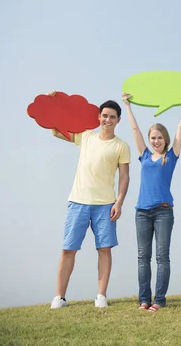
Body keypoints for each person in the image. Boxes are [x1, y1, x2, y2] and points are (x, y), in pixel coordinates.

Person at [48, 91, 131, 309]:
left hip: (105, 205)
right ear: (99, 117)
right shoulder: (85, 136)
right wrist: (53, 101)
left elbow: (124, 177)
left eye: (112, 117)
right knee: (68, 249)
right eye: (104, 115)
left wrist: (119, 202)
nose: (107, 120)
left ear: (118, 120)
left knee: (104, 249)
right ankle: (59, 297)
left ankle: (101, 296)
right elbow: (55, 128)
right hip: (78, 201)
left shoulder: (121, 146)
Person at [122, 93, 181, 313]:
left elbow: (180, 130)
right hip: (142, 212)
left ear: (165, 139)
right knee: (142, 257)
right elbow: (135, 130)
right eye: (153, 138)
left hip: (164, 212)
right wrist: (127, 106)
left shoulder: (171, 156)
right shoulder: (144, 155)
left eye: (159, 138)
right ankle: (144, 300)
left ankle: (159, 300)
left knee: (162, 257)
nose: (156, 141)